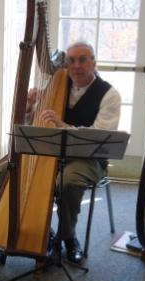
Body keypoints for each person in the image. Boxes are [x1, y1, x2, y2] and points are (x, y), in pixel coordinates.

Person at [37, 41, 121, 264]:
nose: (75, 66)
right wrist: (31, 105)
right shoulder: (58, 85)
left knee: (67, 182)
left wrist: (61, 124)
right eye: (71, 60)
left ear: (94, 63)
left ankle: (68, 238)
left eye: (82, 59)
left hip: (89, 159)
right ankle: (42, 234)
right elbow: (40, 123)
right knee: (7, 172)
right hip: (54, 154)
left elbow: (97, 136)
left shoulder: (109, 95)